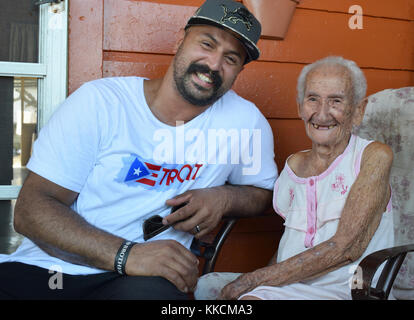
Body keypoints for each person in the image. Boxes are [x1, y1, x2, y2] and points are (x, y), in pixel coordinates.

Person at [0, 0, 278, 300]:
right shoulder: (100, 103)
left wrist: (225, 197)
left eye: (231, 58)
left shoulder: (245, 121)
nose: (213, 64)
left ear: (239, 70)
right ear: (179, 41)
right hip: (52, 268)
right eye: (206, 44)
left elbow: (263, 193)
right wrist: (125, 254)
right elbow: (30, 210)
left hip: (142, 283)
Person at [195, 56, 394, 300]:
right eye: (312, 99)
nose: (322, 114)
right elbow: (290, 245)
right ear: (300, 107)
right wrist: (260, 284)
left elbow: (347, 248)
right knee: (211, 290)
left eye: (336, 101)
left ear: (357, 111)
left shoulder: (372, 157)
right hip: (291, 285)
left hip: (352, 289)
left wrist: (253, 279)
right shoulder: (293, 167)